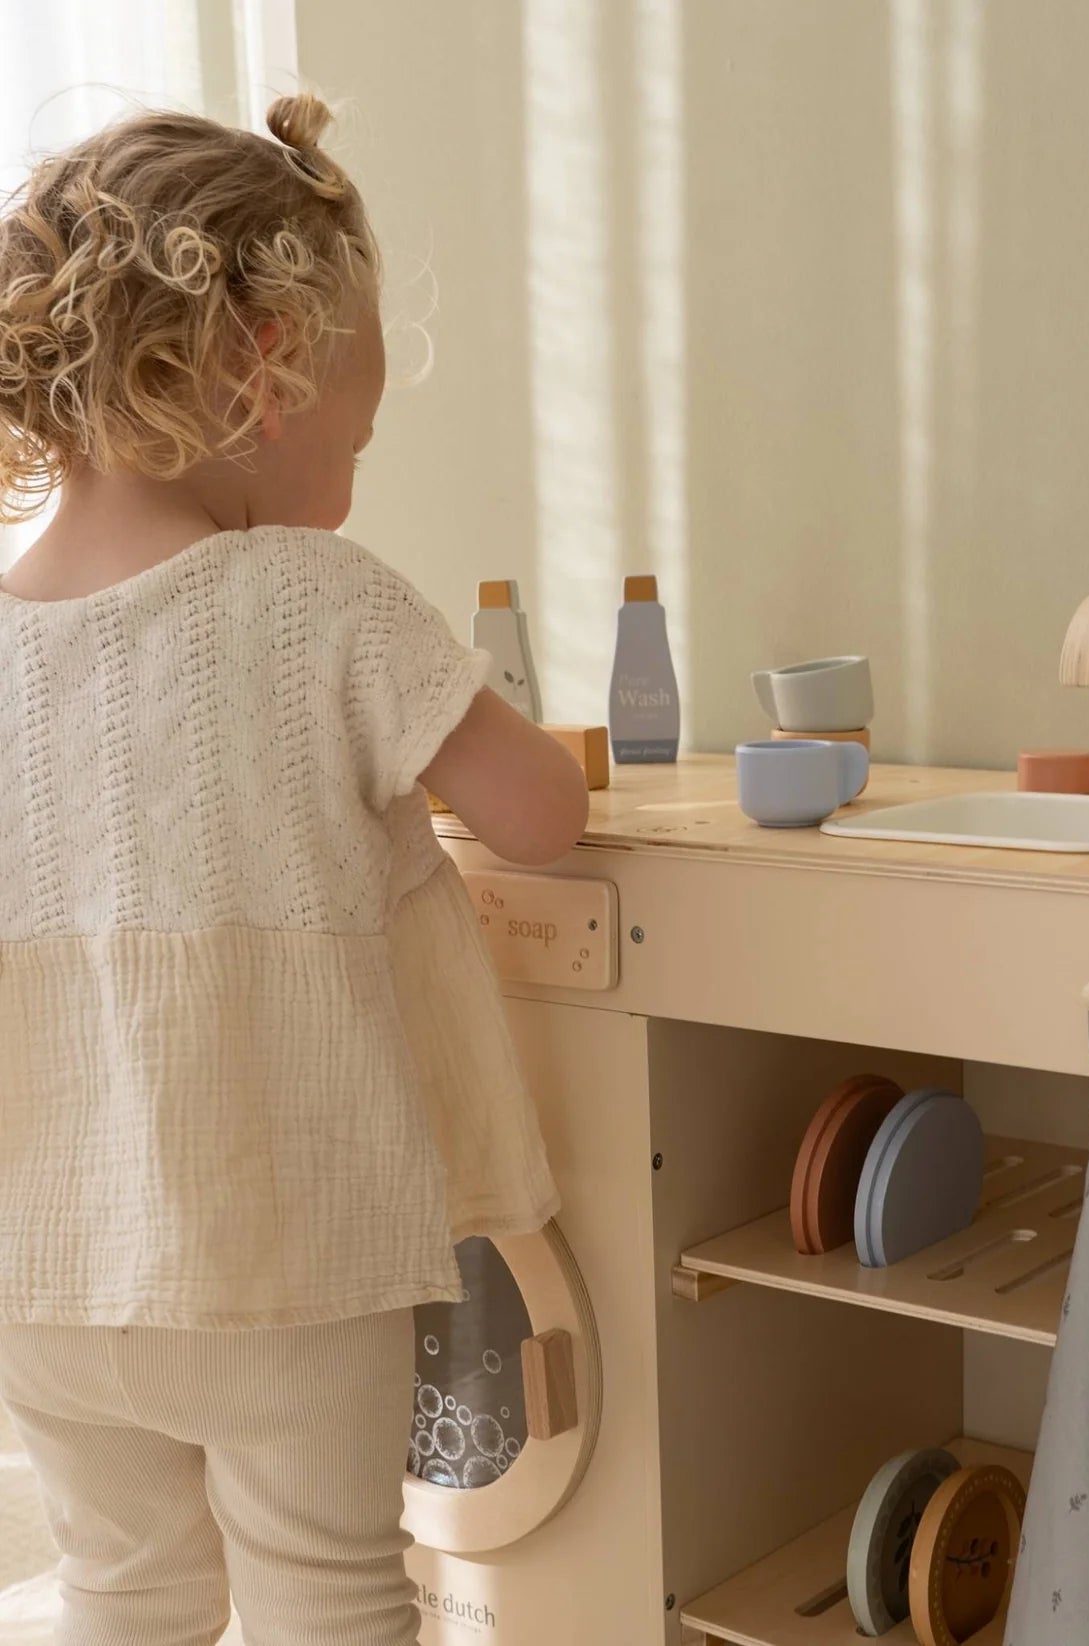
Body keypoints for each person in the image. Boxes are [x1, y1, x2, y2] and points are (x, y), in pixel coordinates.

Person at [0, 92, 589, 1644]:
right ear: (267, 368)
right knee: (329, 1600)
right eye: (357, 432)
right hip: (286, 1253)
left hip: (40, 1272)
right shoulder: (312, 592)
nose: (349, 481)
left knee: (123, 1594)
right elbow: (538, 815)